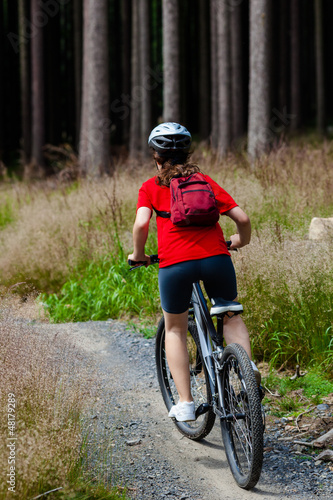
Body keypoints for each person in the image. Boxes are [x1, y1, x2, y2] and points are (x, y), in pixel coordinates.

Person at [128, 122, 261, 422]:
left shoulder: (150, 187)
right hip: (217, 258)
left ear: (156, 156)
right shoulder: (204, 180)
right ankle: (247, 369)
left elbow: (141, 224)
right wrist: (241, 240)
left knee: (174, 328)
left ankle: (186, 403)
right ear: (188, 154)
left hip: (174, 265)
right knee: (230, 315)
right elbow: (242, 217)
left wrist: (138, 255)